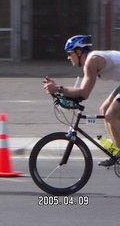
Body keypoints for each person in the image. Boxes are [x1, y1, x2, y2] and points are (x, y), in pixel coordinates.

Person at [43, 35, 120, 167]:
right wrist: (59, 90)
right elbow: (80, 92)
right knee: (104, 109)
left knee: (111, 114)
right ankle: (117, 153)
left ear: (79, 52)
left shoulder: (92, 61)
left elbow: (84, 93)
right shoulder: (90, 61)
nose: (68, 57)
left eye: (69, 53)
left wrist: (58, 89)